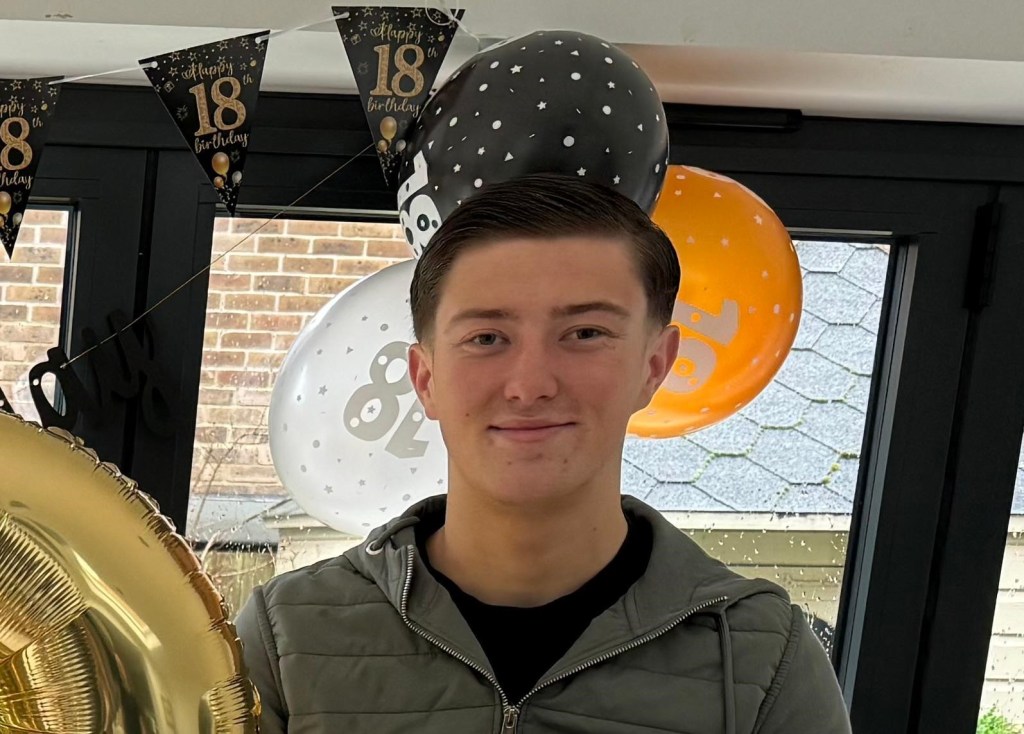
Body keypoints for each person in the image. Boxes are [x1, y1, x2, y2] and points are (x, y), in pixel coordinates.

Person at [235, 174, 853, 734]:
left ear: (654, 366)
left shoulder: (763, 659)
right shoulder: (286, 638)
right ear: (426, 380)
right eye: (486, 338)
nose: (530, 384)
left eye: (585, 334)